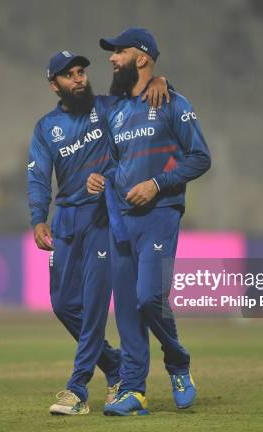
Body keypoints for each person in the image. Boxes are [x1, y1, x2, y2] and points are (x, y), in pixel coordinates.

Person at [27, 50, 170, 415]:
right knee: (63, 304)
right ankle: (115, 366)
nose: (79, 79)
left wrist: (160, 81)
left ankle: (77, 390)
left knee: (92, 308)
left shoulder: (107, 109)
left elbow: (147, 107)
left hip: (104, 219)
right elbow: (39, 176)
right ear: (53, 85)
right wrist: (38, 217)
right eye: (69, 75)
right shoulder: (46, 128)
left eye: (81, 72)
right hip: (66, 221)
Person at [87, 28, 211, 416]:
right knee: (126, 308)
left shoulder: (173, 102)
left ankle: (177, 362)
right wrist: (101, 178)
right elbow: (112, 162)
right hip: (120, 220)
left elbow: (200, 157)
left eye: (119, 52)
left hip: (159, 214)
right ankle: (135, 391)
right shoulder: (116, 111)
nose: (111, 58)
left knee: (148, 298)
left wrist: (157, 184)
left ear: (142, 58)